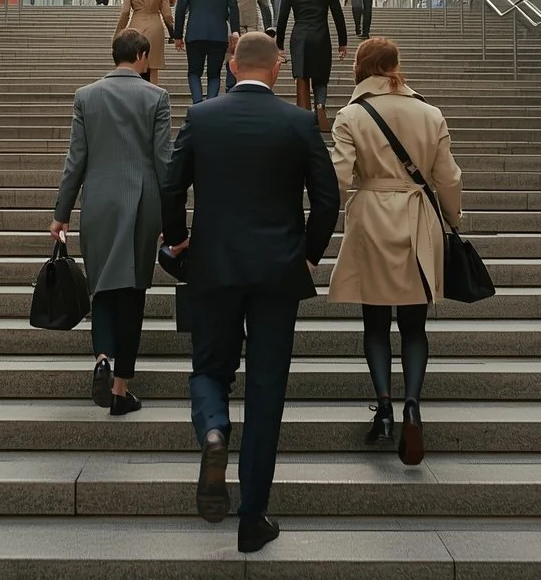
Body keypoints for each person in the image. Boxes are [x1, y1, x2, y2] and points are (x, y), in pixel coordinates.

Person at [161, 32, 340, 553]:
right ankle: (252, 517)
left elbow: (171, 187)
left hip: (212, 268)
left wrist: (179, 243)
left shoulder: (202, 117)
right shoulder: (300, 122)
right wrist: (307, 253)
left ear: (233, 66)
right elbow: (327, 198)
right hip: (278, 274)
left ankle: (214, 432)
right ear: (278, 69)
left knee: (207, 371)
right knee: (266, 392)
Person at [328, 37, 462, 465]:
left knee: (374, 323)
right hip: (417, 217)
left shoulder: (352, 114)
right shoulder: (429, 113)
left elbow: (339, 177)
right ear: (395, 66)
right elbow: (449, 178)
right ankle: (412, 406)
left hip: (371, 217)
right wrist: (453, 222)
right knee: (414, 325)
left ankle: (383, 407)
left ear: (362, 68)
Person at [50, 29, 172, 416]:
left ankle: (102, 357)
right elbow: (165, 162)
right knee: (133, 292)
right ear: (140, 55)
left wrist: (61, 213)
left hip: (99, 203)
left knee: (101, 288)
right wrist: (173, 217)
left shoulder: (86, 96)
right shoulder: (156, 97)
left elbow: (76, 160)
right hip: (142, 203)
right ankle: (121, 388)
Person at [276, 0, 348, 132]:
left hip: (299, 36)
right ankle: (320, 105)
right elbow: (338, 16)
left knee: (302, 76)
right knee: (321, 78)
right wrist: (343, 43)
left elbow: (282, 17)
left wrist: (279, 45)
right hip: (321, 36)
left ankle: (304, 114)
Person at [174, 0, 239, 102]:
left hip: (195, 32)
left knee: (194, 72)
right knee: (214, 74)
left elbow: (180, 8)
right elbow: (233, 7)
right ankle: (210, 105)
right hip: (218, 33)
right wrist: (236, 31)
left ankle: (197, 104)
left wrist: (177, 35)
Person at [115, 0, 174, 86]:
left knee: (134, 65)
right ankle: (153, 98)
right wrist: (173, 33)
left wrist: (119, 32)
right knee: (153, 68)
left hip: (136, 26)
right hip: (155, 27)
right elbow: (167, 15)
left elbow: (125, 12)